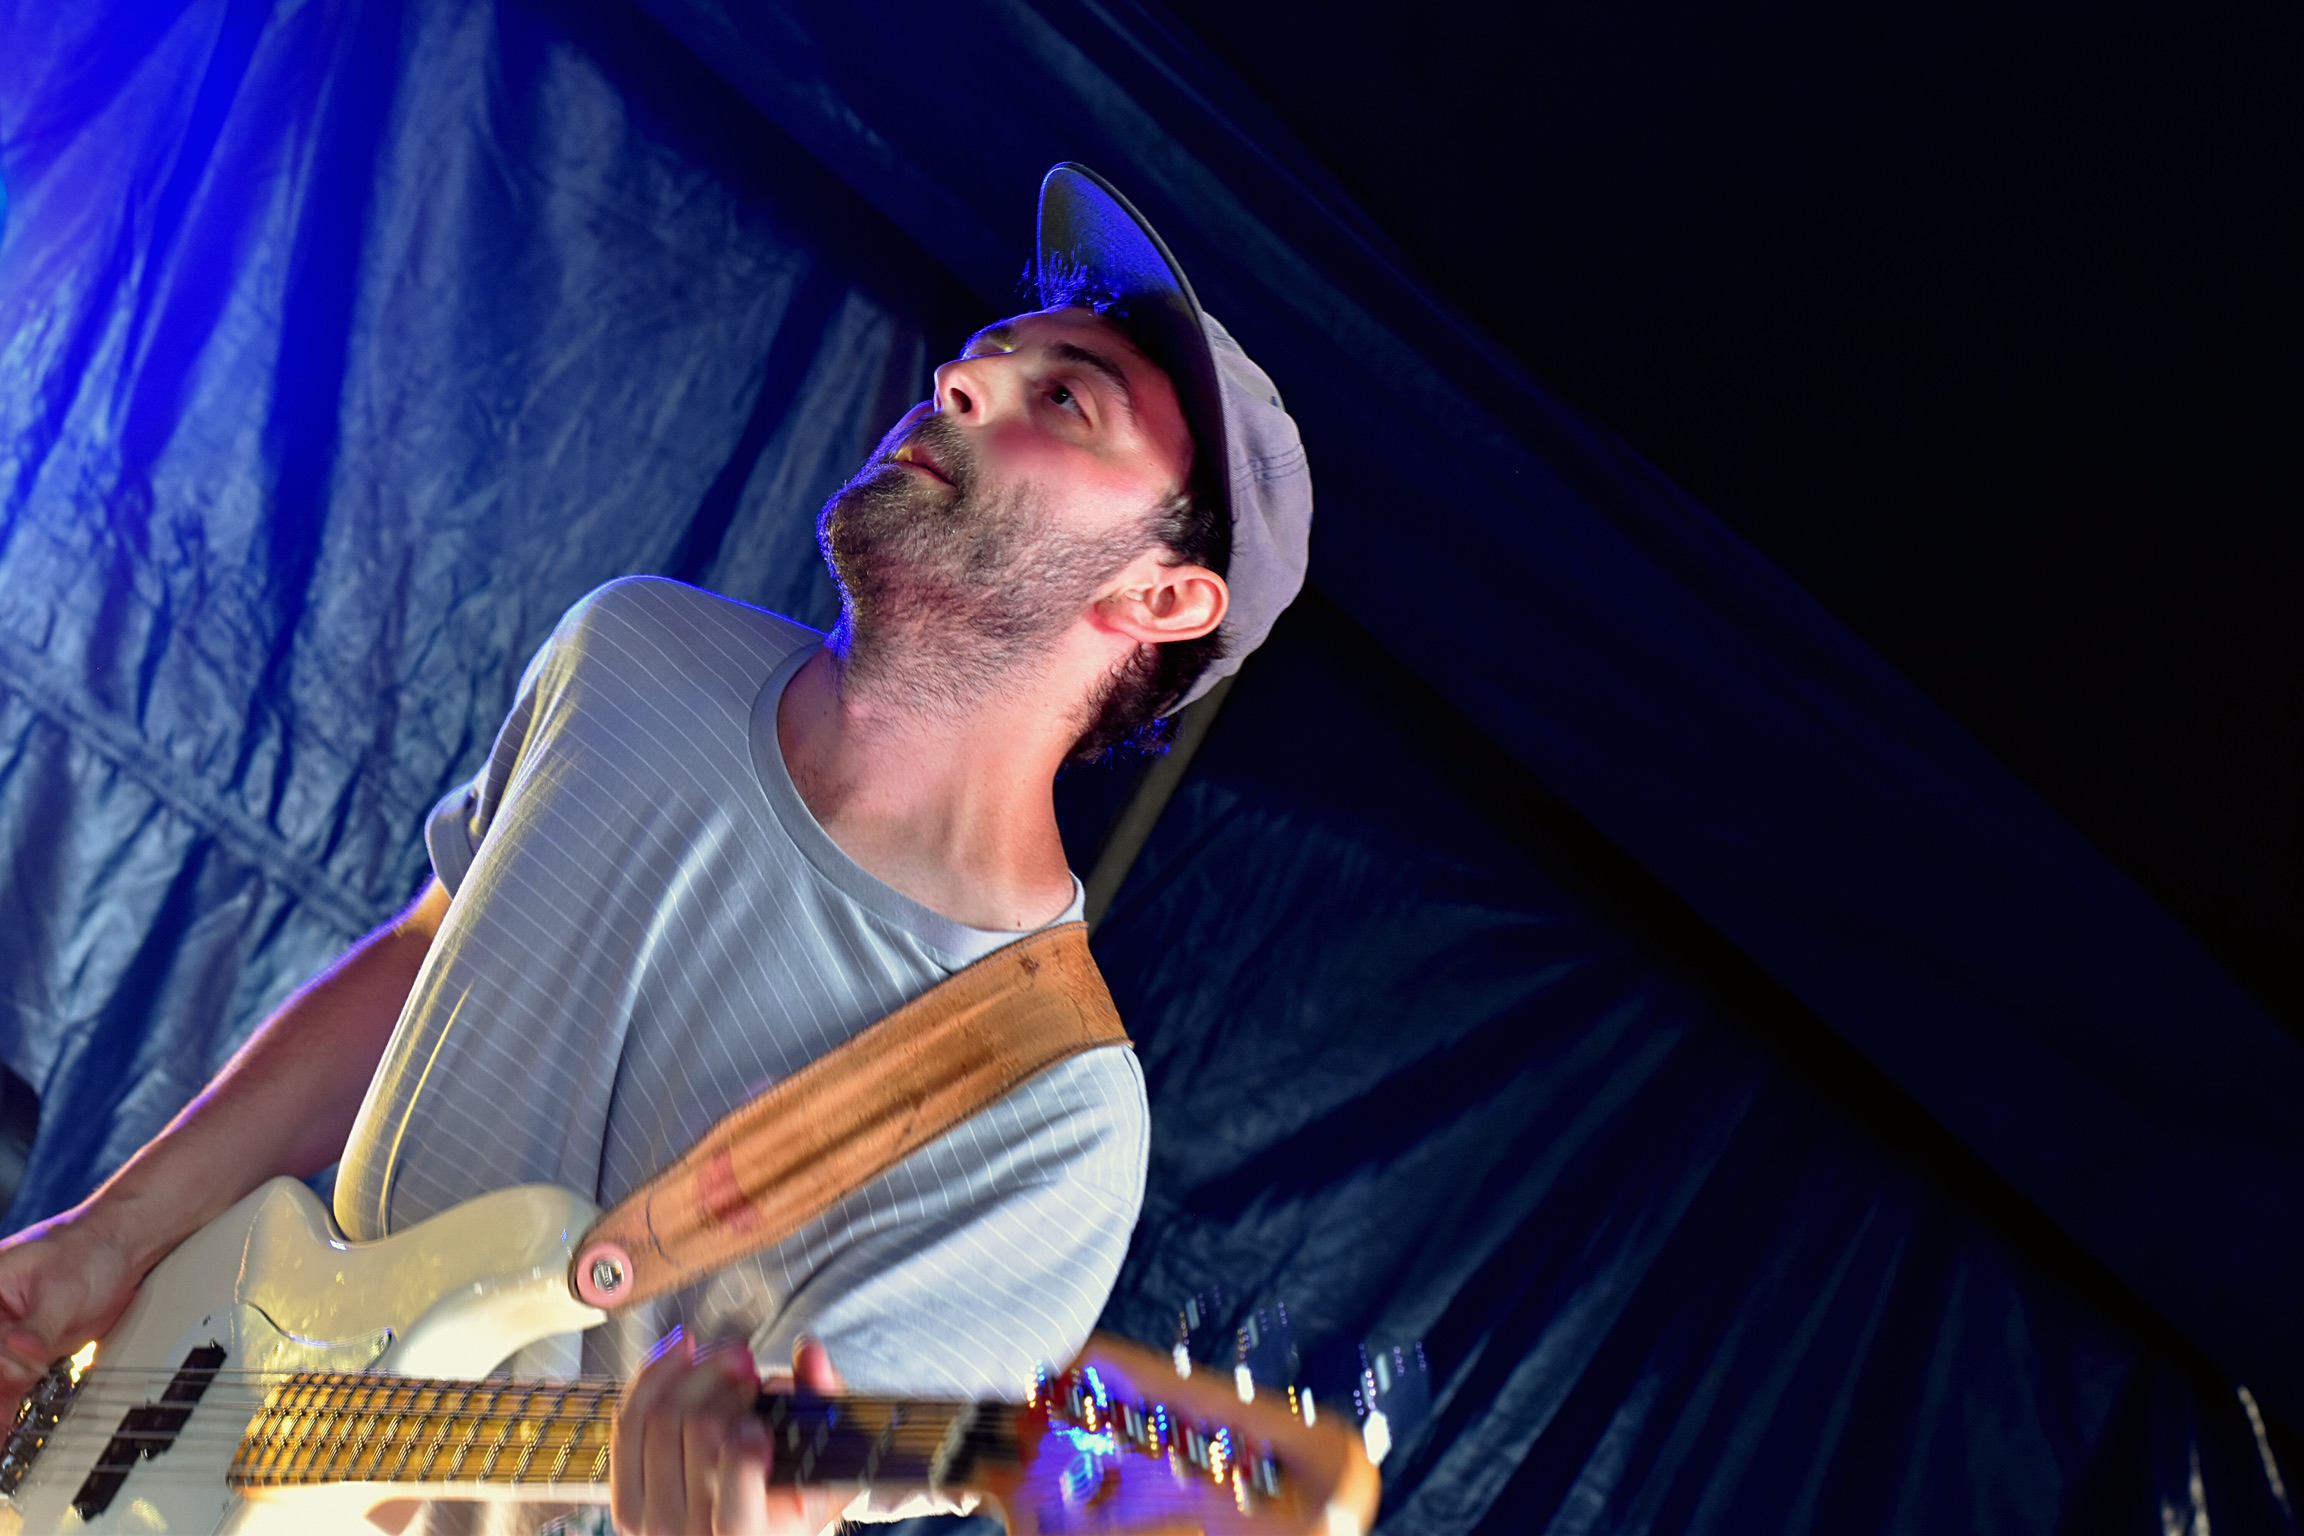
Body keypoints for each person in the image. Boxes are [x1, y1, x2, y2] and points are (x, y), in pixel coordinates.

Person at [0, 165, 1311, 1535]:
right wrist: (107, 1240)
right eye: (988, 354)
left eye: (1067, 400)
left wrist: (731, 1510)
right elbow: (430, 952)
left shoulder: (1052, 1113)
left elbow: (792, 1491)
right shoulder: (631, 649)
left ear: (1164, 596)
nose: (962, 382)